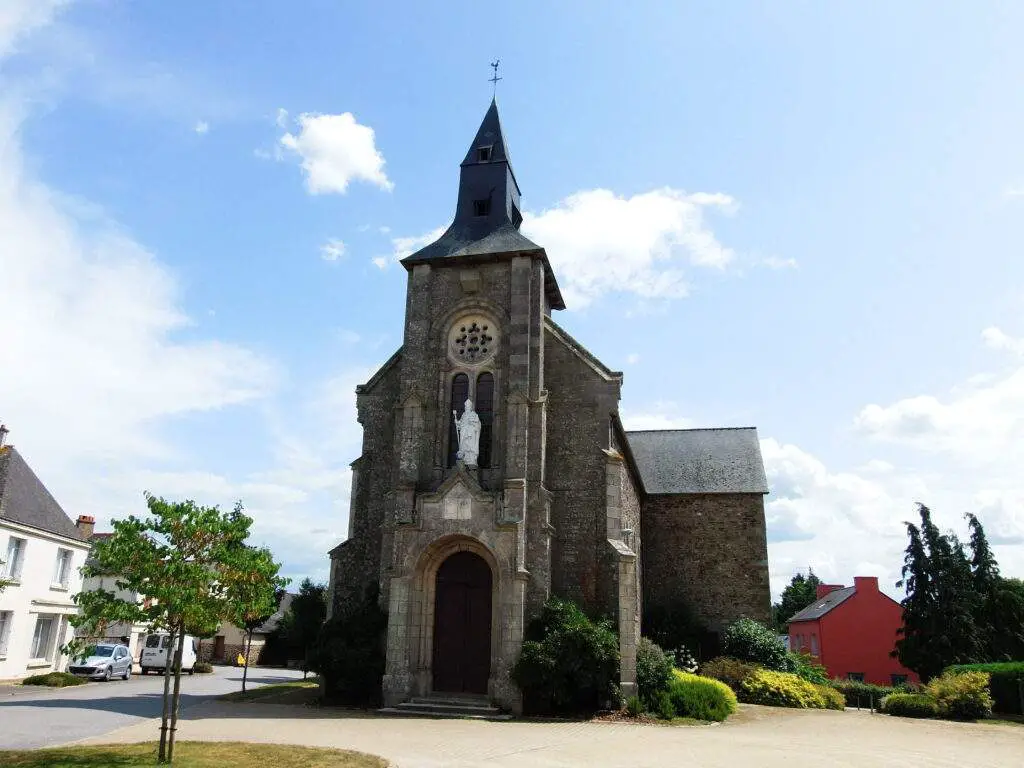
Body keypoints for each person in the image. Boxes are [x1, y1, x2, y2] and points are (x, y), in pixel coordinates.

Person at [453, 398, 481, 467]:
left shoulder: (474, 415)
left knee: (470, 446)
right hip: (464, 433)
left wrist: (472, 424)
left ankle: (471, 460)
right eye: (465, 406)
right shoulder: (464, 415)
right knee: (463, 446)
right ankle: (464, 458)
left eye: (467, 406)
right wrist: (456, 421)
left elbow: (478, 425)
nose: (466, 407)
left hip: (471, 434)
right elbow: (460, 424)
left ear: (470, 407)